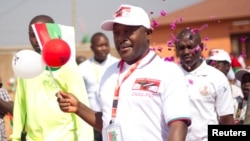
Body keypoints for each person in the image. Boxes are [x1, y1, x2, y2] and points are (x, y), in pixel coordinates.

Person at [57, 4, 191, 141]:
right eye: (117, 32)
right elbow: (107, 122)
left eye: (128, 31)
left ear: (148, 33)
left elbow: (178, 126)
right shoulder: (109, 72)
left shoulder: (168, 72)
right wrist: (79, 107)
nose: (121, 38)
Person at [11, 15, 93, 141]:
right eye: (32, 35)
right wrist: (16, 137)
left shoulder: (67, 66)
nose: (36, 39)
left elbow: (81, 105)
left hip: (65, 137)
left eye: (40, 33)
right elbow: (20, 105)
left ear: (53, 33)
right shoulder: (26, 66)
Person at [174, 28, 234, 141]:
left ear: (200, 47)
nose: (186, 52)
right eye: (181, 48)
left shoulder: (217, 77)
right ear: (176, 49)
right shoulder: (169, 75)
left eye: (190, 47)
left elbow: (226, 119)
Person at [78, 32, 119, 141]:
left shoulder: (118, 65)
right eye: (100, 45)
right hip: (91, 120)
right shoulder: (83, 68)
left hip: (113, 121)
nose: (104, 48)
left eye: (106, 45)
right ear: (92, 47)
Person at [206, 48, 244, 124]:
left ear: (227, 66)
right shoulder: (204, 89)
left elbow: (240, 115)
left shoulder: (237, 92)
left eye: (216, 65)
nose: (212, 68)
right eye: (209, 65)